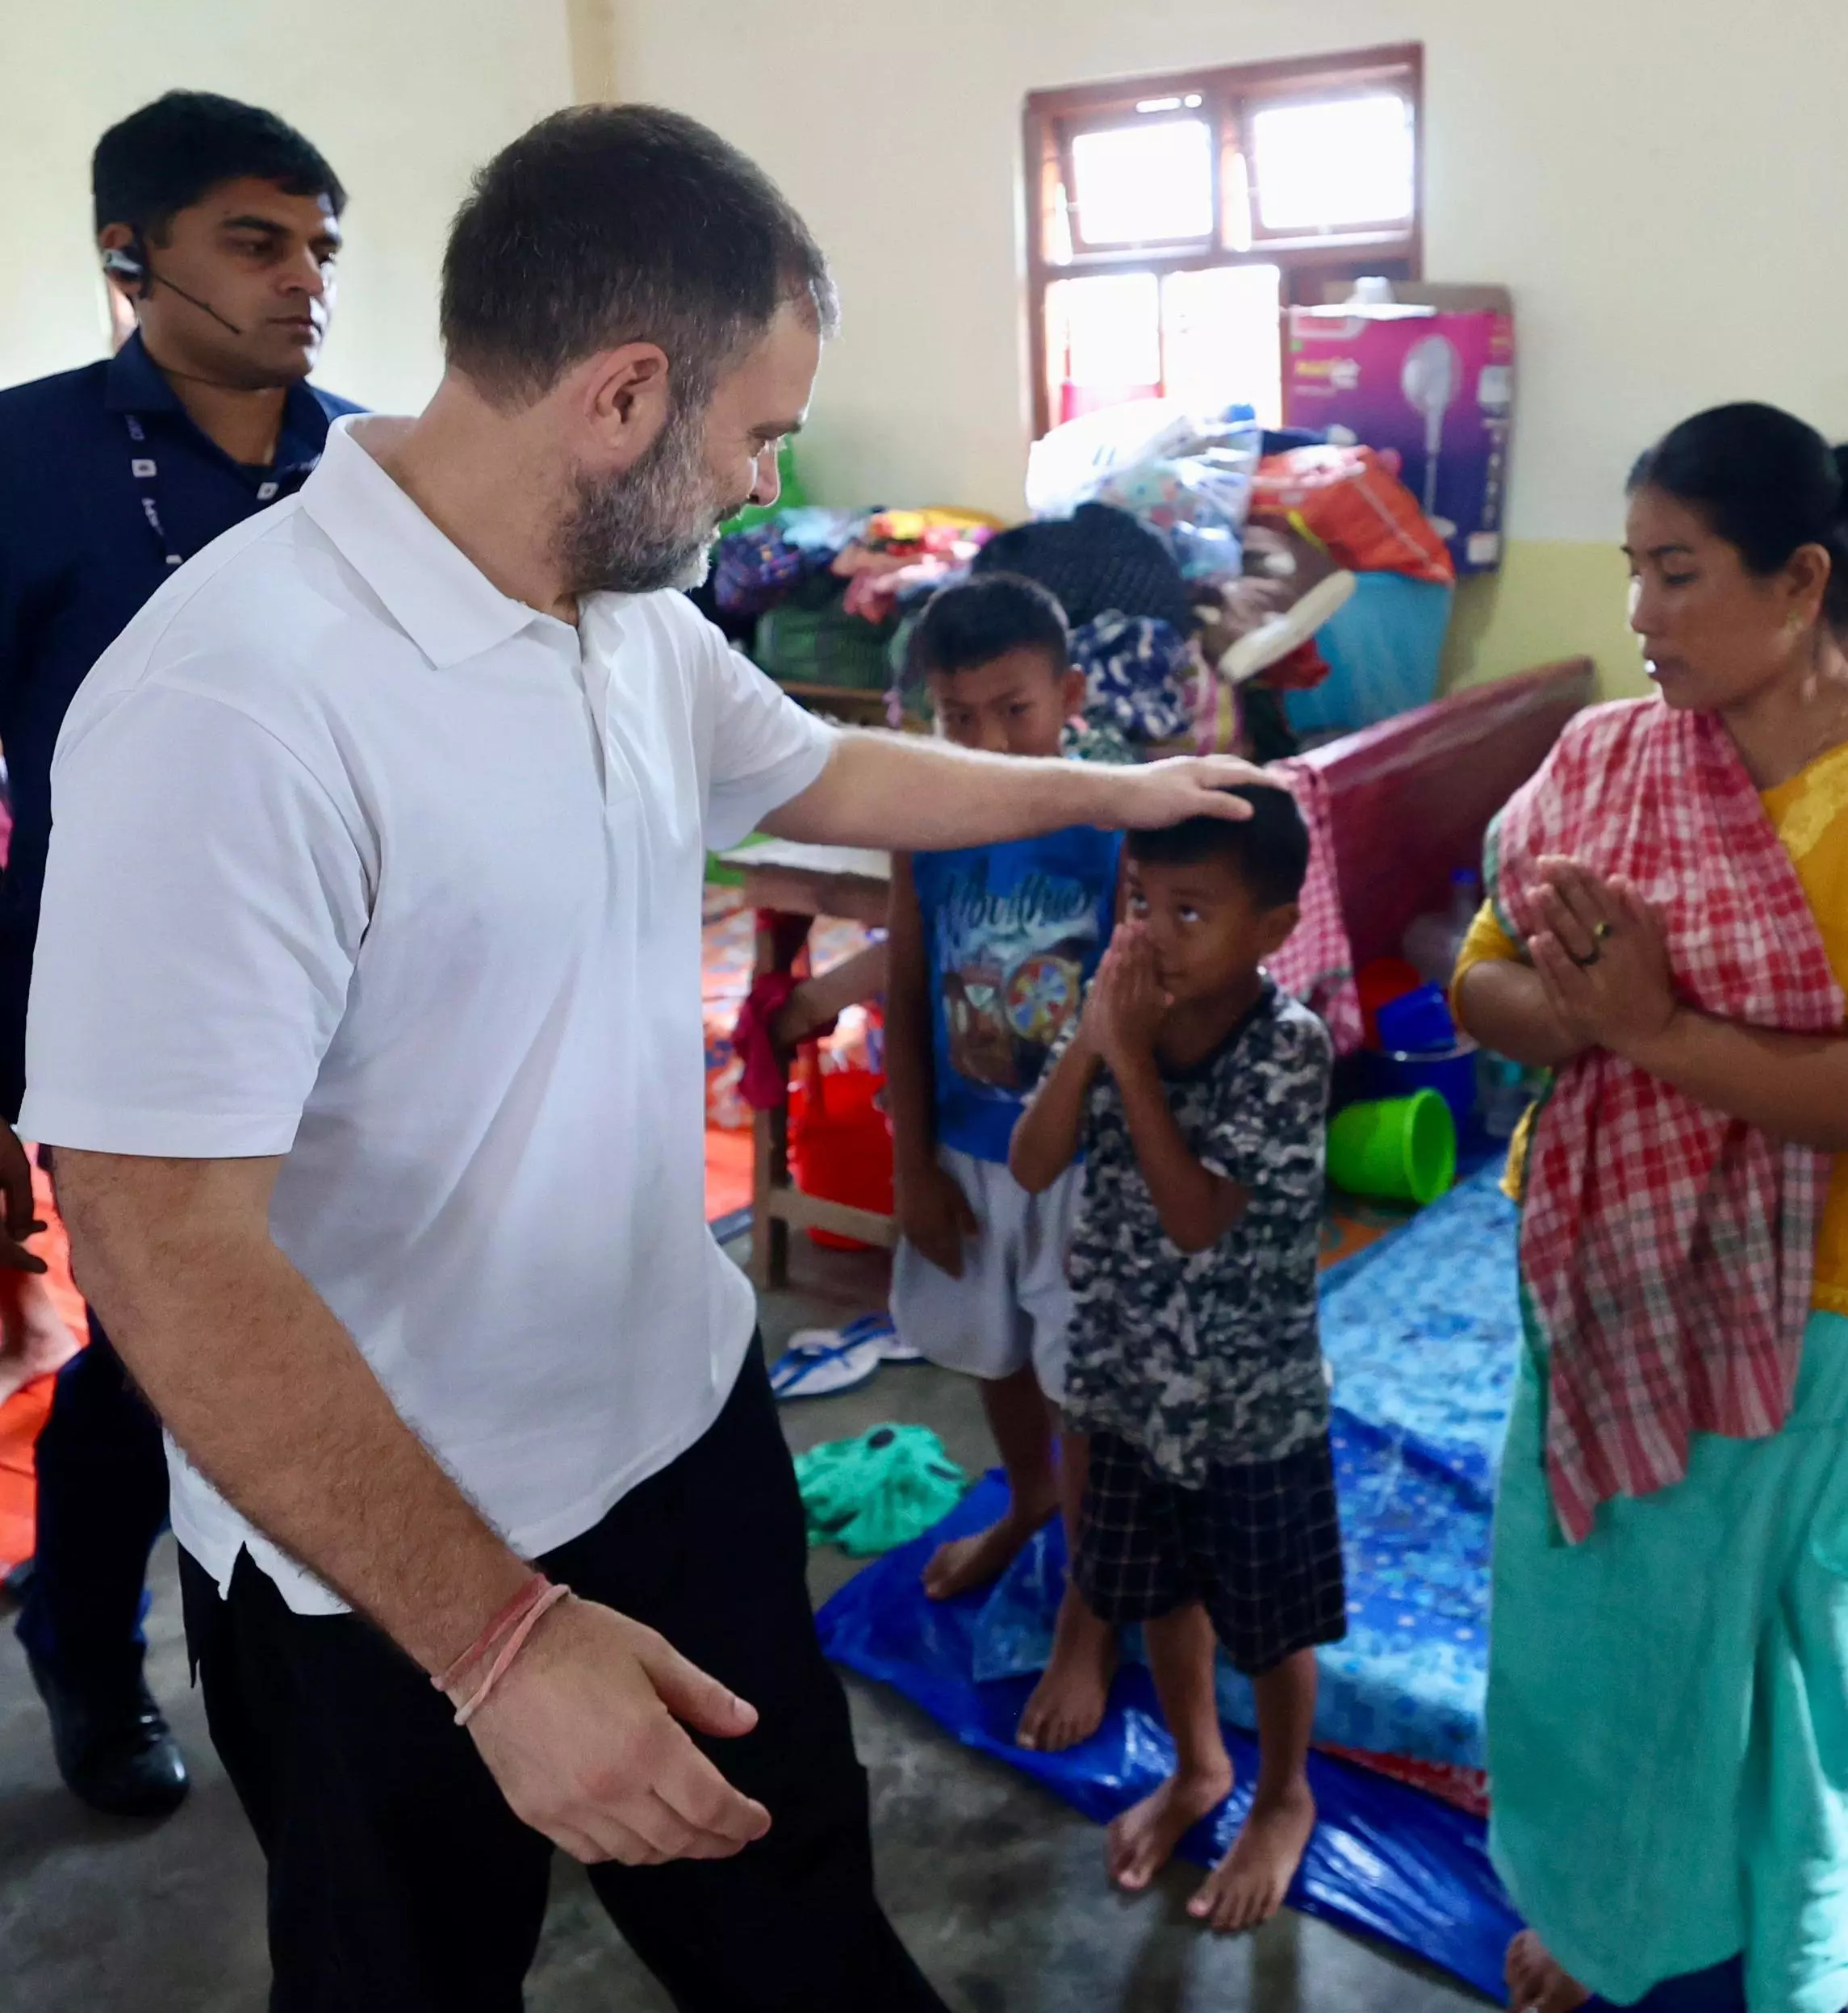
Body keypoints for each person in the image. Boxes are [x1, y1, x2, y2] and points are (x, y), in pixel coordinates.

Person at [22, 104, 1268, 2005]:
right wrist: (502, 1644)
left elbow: (820, 764)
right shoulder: (234, 704)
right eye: (754, 438)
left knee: (797, 1924)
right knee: (409, 1974)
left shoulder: (618, 609)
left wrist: (1116, 787)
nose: (762, 489)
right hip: (388, 1567)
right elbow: (155, 1240)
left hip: (673, 1439)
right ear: (620, 398)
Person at [1455, 404, 1848, 2013]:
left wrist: (1654, 1032)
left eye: (1678, 571)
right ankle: (1605, 1919)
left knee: (1768, 1700)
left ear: (1797, 582)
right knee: (1595, 1663)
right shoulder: (1608, 756)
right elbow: (1480, 980)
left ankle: (1742, 1970)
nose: (1637, 611)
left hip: (1815, 1323)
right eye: (1632, 568)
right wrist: (1574, 1016)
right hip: (1597, 1289)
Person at [0, 90, 354, 1823]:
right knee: (155, 1355)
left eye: (319, 247)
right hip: (118, 1003)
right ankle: (83, 1639)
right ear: (127, 254)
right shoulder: (25, 456)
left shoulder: (371, 466)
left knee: (357, 1316)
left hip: (359, 993)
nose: (305, 282)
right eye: (258, 240)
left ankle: (338, 1627)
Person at [1006, 784, 1335, 1929]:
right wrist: (1094, 1045)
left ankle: (1284, 1792)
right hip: (1130, 1376)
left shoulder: (1287, 1050)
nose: (1149, 934)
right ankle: (1199, 1763)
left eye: (1189, 911)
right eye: (1139, 900)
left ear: (1275, 928)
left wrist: (1131, 1062)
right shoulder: (1120, 1009)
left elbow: (1197, 1217)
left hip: (1249, 1398)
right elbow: (1035, 1160)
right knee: (1157, 1584)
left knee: (1268, 1613)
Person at [884, 573, 1115, 1609]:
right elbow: (902, 978)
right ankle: (1030, 1502)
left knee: (1089, 1380)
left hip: (1087, 1164)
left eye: (1014, 711)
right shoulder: (923, 822)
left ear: (1069, 696)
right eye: (956, 717)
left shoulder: (1112, 823)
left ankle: (1090, 1591)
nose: (985, 740)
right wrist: (911, 1167)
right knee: (996, 1347)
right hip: (966, 1151)